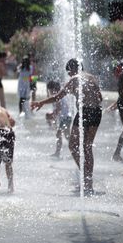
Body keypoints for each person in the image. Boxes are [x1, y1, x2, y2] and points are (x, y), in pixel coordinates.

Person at [32, 59, 103, 195]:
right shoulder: (92, 78)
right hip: (96, 112)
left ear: (71, 70)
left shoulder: (74, 80)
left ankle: (84, 175)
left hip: (84, 112)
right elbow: (99, 98)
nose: (69, 75)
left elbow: (58, 97)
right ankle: (89, 182)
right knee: (88, 146)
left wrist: (41, 102)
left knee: (72, 146)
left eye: (69, 72)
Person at [45, 80, 71, 158]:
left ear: (53, 89)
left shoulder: (57, 97)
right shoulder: (59, 96)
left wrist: (52, 115)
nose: (49, 92)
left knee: (59, 135)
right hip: (67, 118)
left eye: (49, 90)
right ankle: (75, 151)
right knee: (67, 136)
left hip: (65, 119)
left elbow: (58, 109)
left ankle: (58, 153)